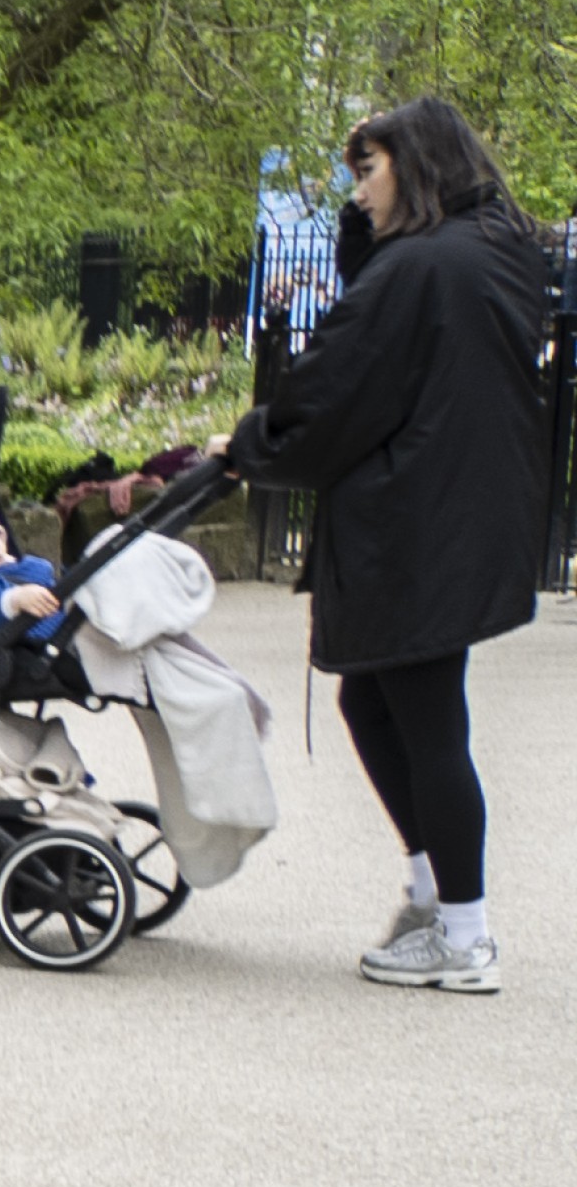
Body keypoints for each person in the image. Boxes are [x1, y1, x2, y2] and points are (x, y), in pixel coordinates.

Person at [226, 96, 551, 996]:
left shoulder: (423, 266)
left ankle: (464, 931)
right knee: (375, 705)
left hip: (419, 522)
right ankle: (433, 896)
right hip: (458, 513)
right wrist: (367, 232)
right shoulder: (489, 249)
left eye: (368, 173)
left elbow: (343, 374)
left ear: (413, 165)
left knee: (427, 720)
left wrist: (254, 443)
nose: (358, 193)